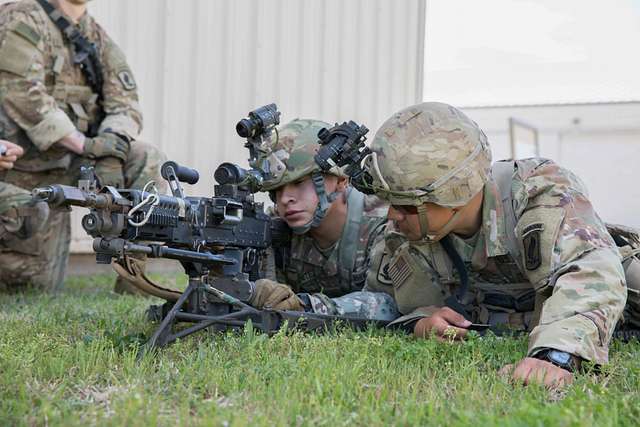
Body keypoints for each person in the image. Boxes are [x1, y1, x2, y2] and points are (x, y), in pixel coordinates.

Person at [353, 101, 631, 387]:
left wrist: (555, 355)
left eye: (408, 205)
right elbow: (389, 300)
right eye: (391, 202)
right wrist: (422, 321)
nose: (392, 215)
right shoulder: (410, 235)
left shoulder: (536, 192)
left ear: (454, 194)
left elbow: (592, 271)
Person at [0, 0, 165, 292]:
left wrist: (111, 148)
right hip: (17, 172)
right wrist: (86, 145)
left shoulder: (95, 37)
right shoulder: (22, 18)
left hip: (71, 164)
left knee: (146, 158)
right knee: (31, 287)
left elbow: (126, 105)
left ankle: (134, 281)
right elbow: (23, 93)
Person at [247, 118, 398, 321]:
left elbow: (389, 304)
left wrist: (306, 307)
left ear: (341, 180)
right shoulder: (274, 230)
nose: (285, 199)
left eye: (299, 182)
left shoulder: (382, 223)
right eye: (276, 190)